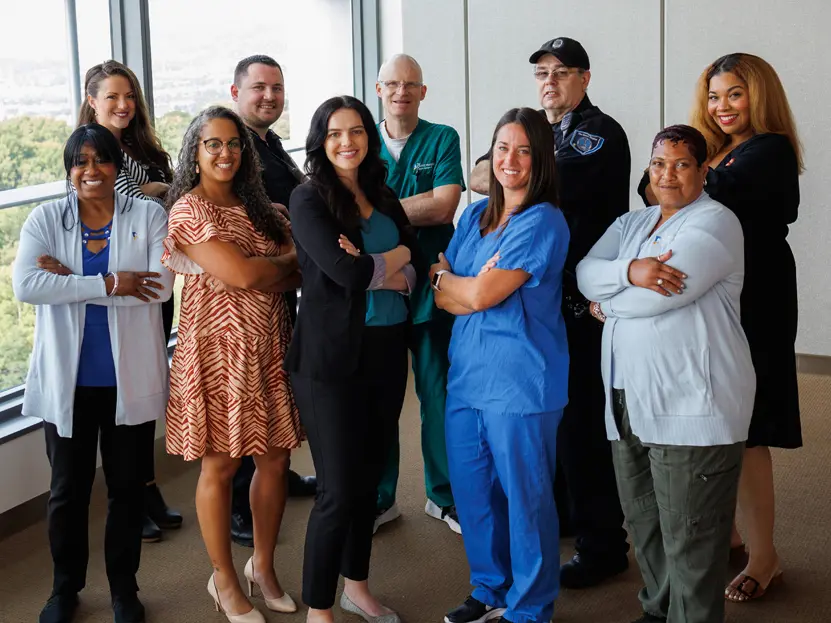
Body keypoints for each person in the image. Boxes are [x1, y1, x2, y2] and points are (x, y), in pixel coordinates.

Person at [639, 53, 803, 604]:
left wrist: (679, 175)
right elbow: (654, 191)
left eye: (735, 94)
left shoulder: (770, 149)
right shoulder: (713, 151)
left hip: (756, 295)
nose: (722, 106)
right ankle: (731, 532)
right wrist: (676, 175)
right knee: (716, 415)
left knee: (749, 427)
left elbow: (688, 191)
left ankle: (765, 557)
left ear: (759, 96)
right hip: (714, 291)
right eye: (714, 96)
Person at [577, 125, 756, 623]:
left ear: (703, 171)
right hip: (627, 396)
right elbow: (585, 270)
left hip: (692, 403)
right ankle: (658, 613)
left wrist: (607, 305)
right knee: (646, 523)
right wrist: (630, 271)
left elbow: (662, 297)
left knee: (692, 537)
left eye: (681, 164)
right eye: (659, 164)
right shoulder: (633, 223)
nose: (668, 174)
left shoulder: (716, 223)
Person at [470, 36, 630, 588]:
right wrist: (506, 167)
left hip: (583, 300)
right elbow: (498, 173)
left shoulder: (598, 133)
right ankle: (567, 518)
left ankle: (604, 546)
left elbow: (526, 180)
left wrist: (501, 168)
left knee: (583, 426)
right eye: (541, 72)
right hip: (546, 296)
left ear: (585, 78)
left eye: (562, 72)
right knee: (555, 423)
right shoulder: (544, 134)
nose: (549, 82)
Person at [13, 123, 173, 623]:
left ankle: (125, 588)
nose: (91, 170)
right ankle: (65, 589)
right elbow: (27, 285)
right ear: (68, 171)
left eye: (100, 159)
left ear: (116, 166)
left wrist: (70, 279)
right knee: (67, 492)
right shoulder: (45, 218)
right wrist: (108, 281)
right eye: (79, 162)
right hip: (71, 383)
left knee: (127, 490)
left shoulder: (147, 214)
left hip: (127, 380)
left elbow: (160, 286)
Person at [163, 106, 302, 622]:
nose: (225, 153)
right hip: (217, 352)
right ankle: (223, 578)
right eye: (213, 144)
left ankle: (261, 566)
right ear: (194, 154)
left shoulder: (261, 205)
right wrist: (270, 268)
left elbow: (292, 272)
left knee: (276, 459)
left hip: (268, 344)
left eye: (234, 144)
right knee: (220, 465)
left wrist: (269, 270)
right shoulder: (188, 211)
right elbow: (246, 277)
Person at [287, 95, 421, 623]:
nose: (349, 141)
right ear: (321, 140)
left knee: (369, 485)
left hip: (386, 352)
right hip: (329, 362)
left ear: (370, 136)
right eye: (337, 132)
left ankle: (356, 588)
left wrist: (377, 263)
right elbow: (345, 277)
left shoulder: (382, 193)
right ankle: (319, 610)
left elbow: (413, 255)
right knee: (338, 492)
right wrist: (383, 265)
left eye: (358, 131)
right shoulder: (309, 200)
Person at [438, 107, 569, 623]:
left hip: (521, 382)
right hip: (467, 376)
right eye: (501, 148)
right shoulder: (472, 217)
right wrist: (457, 287)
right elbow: (448, 282)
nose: (509, 160)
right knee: (474, 493)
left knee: (526, 500)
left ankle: (531, 607)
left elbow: (483, 292)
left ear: (539, 161)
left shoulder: (542, 221)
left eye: (523, 150)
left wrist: (468, 289)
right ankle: (490, 586)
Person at [77, 59, 181, 544]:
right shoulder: (88, 152)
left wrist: (156, 192)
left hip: (154, 280)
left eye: (129, 96)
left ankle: (148, 487)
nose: (123, 105)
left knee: (143, 391)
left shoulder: (141, 147)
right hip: (118, 285)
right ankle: (132, 495)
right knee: (121, 396)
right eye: (112, 96)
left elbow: (172, 202)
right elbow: (130, 207)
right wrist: (157, 192)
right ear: (91, 100)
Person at [373, 53, 465, 534]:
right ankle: (381, 498)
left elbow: (445, 205)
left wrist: (375, 211)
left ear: (422, 92)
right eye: (392, 84)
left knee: (438, 395)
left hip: (431, 289)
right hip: (382, 292)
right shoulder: (360, 142)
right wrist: (418, 206)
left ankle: (443, 496)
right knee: (383, 399)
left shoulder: (442, 137)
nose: (401, 92)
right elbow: (343, 208)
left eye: (410, 84)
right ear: (378, 89)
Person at [228, 54, 316, 549]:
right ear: (236, 91)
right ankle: (242, 501)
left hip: (284, 288)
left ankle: (276, 477)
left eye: (277, 88)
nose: (269, 96)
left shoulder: (271, 143)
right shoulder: (233, 146)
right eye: (259, 87)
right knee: (249, 399)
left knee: (276, 391)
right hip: (249, 295)